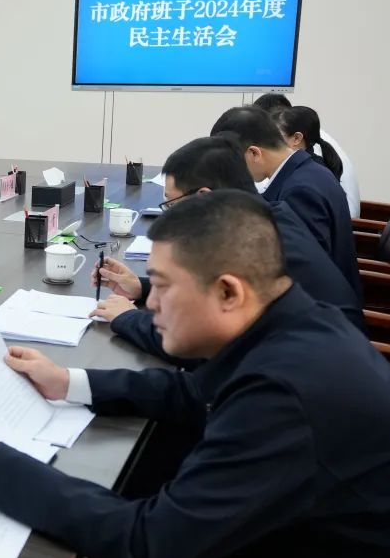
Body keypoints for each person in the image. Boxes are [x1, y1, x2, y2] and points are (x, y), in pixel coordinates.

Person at [0, 191, 390, 558]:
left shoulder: (286, 395)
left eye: (163, 287)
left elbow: (147, 546)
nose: (149, 304)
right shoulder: (291, 321)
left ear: (228, 291)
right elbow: (194, 394)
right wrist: (67, 381)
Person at [92, 135, 363, 369]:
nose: (170, 216)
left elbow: (199, 345)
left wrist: (128, 318)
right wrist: (142, 286)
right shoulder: (265, 217)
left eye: (171, 205)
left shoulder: (252, 246)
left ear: (202, 196)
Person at [210, 106, 359, 294]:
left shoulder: (300, 192)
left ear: (254, 153)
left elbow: (301, 272)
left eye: (234, 162)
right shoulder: (308, 171)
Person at [253, 94, 360, 216]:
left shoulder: (303, 182)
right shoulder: (308, 163)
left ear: (297, 138)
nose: (265, 145)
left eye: (272, 138)